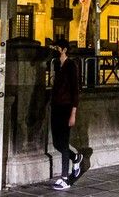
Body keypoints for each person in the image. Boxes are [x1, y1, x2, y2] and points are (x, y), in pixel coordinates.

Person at [50, 39, 83, 190]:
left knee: (63, 143)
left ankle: (65, 178)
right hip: (56, 108)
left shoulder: (71, 65)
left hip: (66, 108)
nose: (54, 50)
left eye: (57, 47)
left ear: (63, 50)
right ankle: (76, 158)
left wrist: (73, 113)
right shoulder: (57, 65)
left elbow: (75, 91)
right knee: (57, 143)